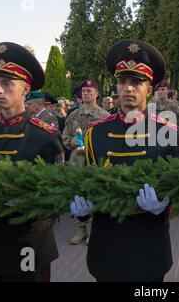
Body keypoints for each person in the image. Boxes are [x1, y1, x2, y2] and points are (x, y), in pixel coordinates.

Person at [69, 39, 179, 282]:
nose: (128, 88)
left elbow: (178, 187)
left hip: (149, 244)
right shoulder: (96, 132)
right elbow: (88, 182)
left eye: (137, 82)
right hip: (106, 245)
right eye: (123, 82)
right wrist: (83, 210)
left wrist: (165, 206)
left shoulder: (168, 132)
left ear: (149, 89)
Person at [0, 42, 65, 282]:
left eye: (7, 84)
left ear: (25, 89)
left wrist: (29, 201)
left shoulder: (45, 135)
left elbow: (58, 195)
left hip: (28, 244)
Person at [63, 79, 108, 245]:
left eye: (89, 91)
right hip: (77, 162)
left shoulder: (104, 116)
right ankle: (81, 229)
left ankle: (94, 230)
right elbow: (65, 136)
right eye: (84, 91)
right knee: (77, 195)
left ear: (97, 94)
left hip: (96, 162)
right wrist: (71, 142)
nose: (86, 94)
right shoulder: (73, 115)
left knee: (94, 193)